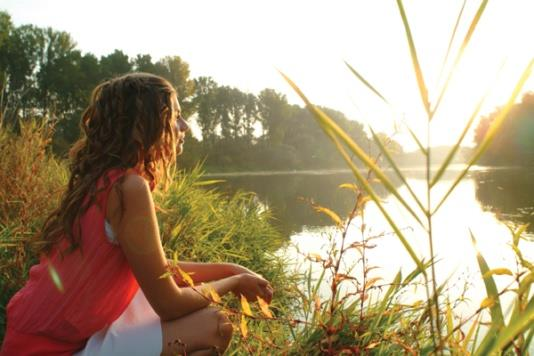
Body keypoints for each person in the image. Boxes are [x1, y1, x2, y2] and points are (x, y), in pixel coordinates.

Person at [1, 72, 273, 356]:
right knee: (216, 327)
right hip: (48, 349)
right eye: (175, 116)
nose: (185, 126)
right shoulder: (129, 187)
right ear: (145, 126)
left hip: (29, 339)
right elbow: (168, 303)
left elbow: (157, 269)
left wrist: (231, 268)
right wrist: (234, 283)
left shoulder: (103, 179)